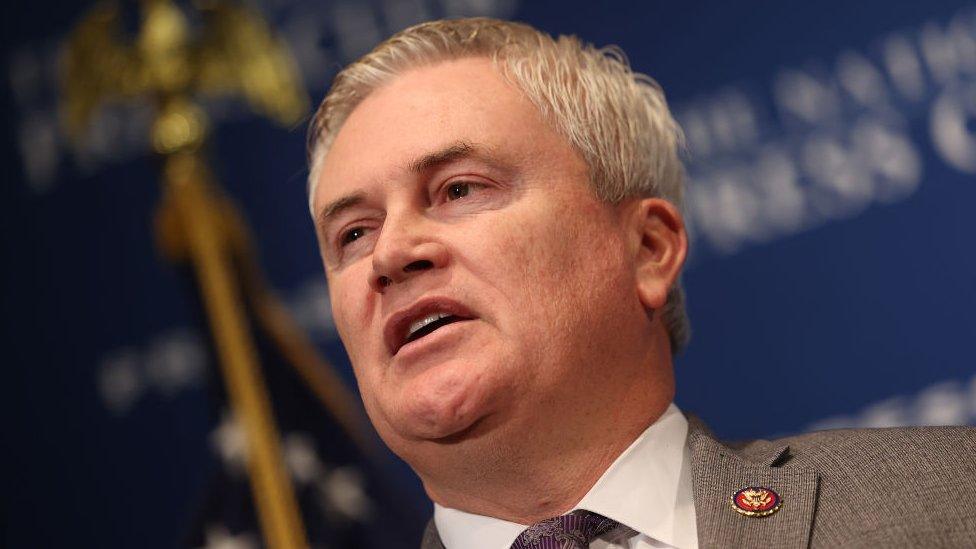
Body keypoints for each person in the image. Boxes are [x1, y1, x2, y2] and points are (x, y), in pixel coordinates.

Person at [305, 17, 976, 549]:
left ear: (649, 248)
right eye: (353, 234)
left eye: (457, 189)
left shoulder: (952, 498)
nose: (390, 253)